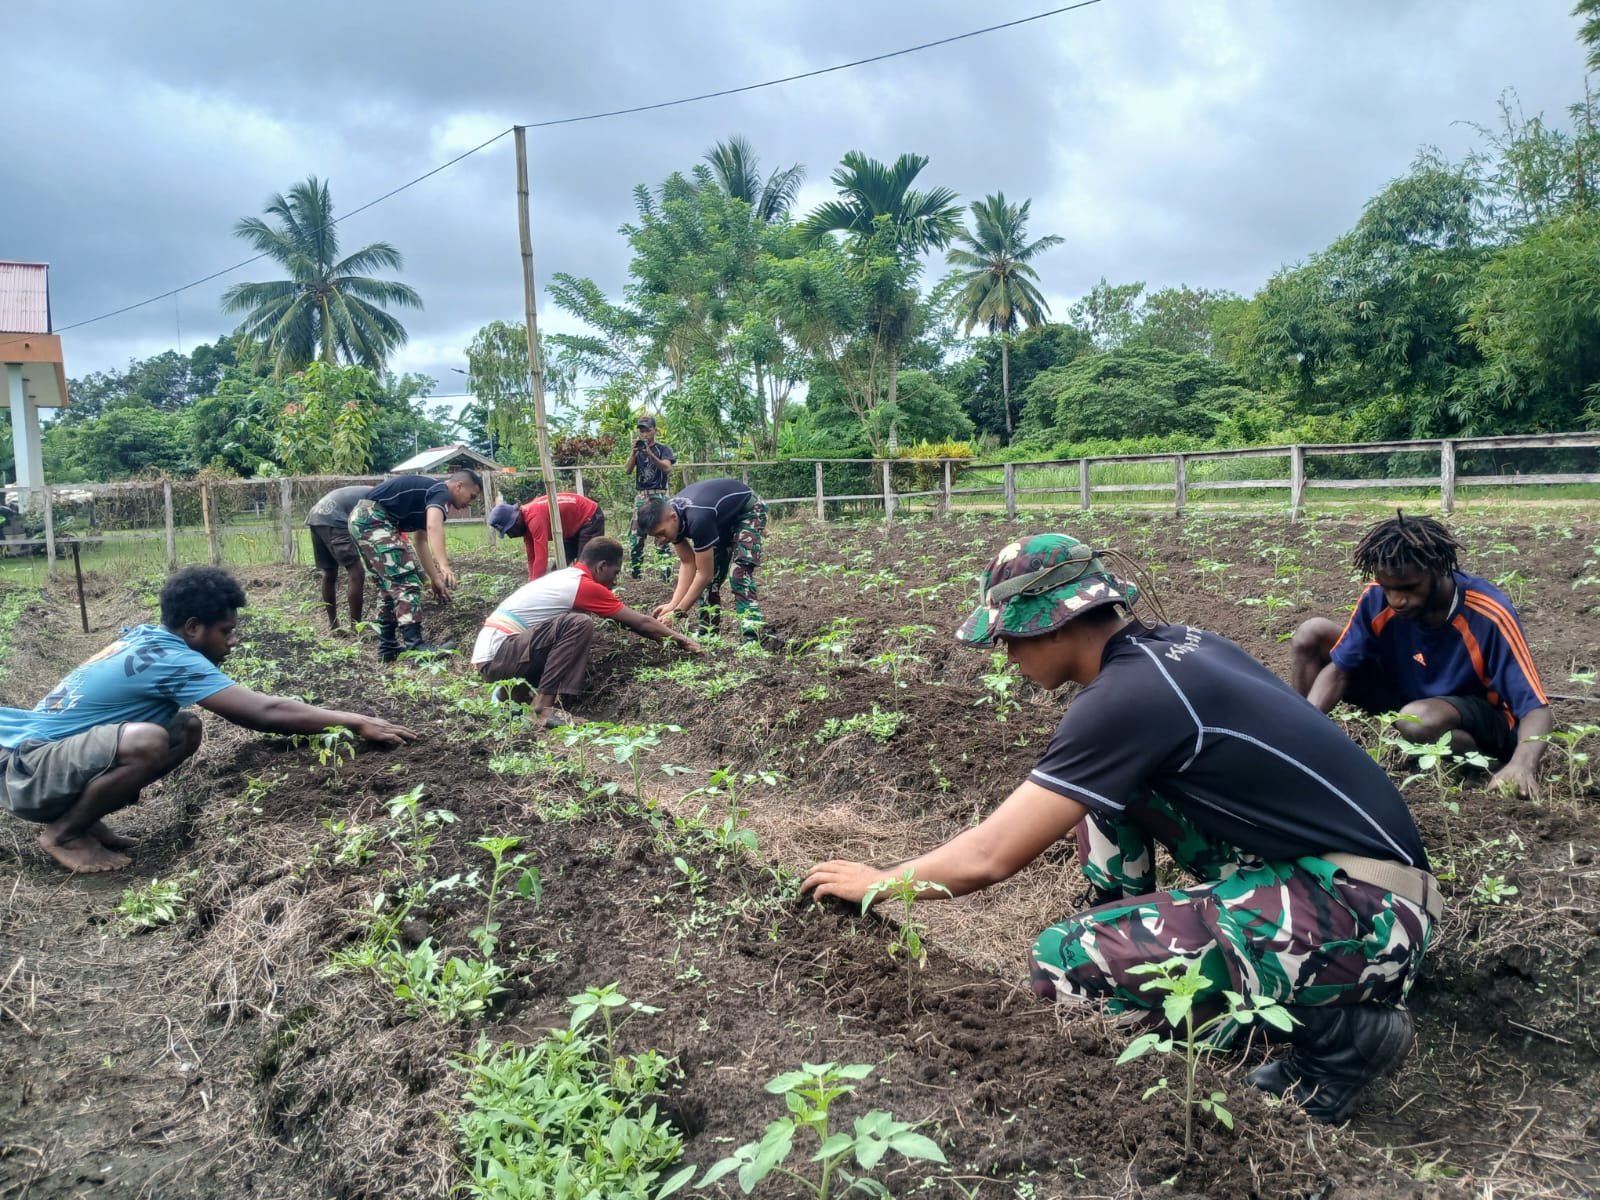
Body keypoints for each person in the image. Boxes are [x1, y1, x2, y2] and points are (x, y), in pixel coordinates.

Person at [802, 534, 1439, 1124]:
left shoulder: (1124, 700)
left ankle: (1335, 1038)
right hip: (1357, 884)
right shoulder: (1177, 648)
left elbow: (991, 856)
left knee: (1061, 960)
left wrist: (882, 882)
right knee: (1109, 793)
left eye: (1012, 638)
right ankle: (1143, 941)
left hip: (1365, 912)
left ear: (1055, 625)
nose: (1008, 655)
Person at [0, 566, 416, 874]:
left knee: (184, 728)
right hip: (28, 770)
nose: (233, 641)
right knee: (145, 741)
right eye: (226, 631)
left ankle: (84, 819)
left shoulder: (149, 638)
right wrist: (355, 721)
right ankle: (64, 834)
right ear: (193, 628)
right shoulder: (173, 659)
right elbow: (263, 712)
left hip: (35, 758)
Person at [1291, 511, 1551, 797]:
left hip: (1475, 715)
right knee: (1312, 633)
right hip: (1408, 692)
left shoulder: (1487, 613)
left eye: (1408, 588)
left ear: (1438, 567)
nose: (1396, 600)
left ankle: (1483, 765)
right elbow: (1339, 669)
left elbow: (1535, 706)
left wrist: (1522, 764)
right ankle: (1294, 744)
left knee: (1416, 719)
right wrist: (1302, 729)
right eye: (1387, 588)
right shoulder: (1378, 598)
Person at [470, 537, 700, 728]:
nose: (615, 580)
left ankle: (510, 697)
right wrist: (684, 641)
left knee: (570, 626)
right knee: (578, 623)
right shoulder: (583, 585)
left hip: (493, 655)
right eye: (614, 573)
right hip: (500, 654)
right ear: (601, 567)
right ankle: (543, 708)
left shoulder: (565, 578)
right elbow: (640, 623)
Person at [348, 470, 482, 661]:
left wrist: (435, 578)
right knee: (406, 582)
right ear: (459, 486)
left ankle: (387, 648)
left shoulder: (428, 494)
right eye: (472, 496)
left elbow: (421, 541)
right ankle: (416, 646)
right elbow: (433, 527)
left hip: (365, 519)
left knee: (390, 587)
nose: (470, 502)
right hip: (374, 520)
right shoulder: (441, 492)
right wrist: (444, 566)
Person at [638, 476, 767, 640]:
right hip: (720, 519)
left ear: (672, 517)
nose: (661, 540)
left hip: (747, 511)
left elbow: (704, 574)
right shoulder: (673, 520)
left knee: (739, 574)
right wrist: (672, 605)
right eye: (656, 536)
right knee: (709, 583)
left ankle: (751, 636)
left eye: (662, 533)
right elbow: (687, 563)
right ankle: (707, 632)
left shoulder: (698, 518)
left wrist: (677, 613)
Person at [488, 491, 606, 581]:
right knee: (557, 568)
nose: (511, 534)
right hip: (572, 527)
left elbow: (541, 558)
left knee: (584, 567)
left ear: (515, 520)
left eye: (510, 530)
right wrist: (531, 583)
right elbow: (531, 557)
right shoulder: (526, 524)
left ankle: (595, 596)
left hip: (589, 517)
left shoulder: (534, 518)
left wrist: (535, 588)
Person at [304, 484, 372, 635]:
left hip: (316, 515)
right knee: (357, 572)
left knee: (329, 572)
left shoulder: (368, 491)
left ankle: (334, 626)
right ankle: (356, 628)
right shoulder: (379, 496)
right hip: (335, 518)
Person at [624, 415, 677, 580]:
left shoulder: (663, 449)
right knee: (636, 536)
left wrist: (650, 454)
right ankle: (636, 573)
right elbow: (627, 470)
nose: (644, 433)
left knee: (662, 534)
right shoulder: (637, 450)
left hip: (659, 495)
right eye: (641, 430)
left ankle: (665, 574)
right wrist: (634, 453)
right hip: (642, 496)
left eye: (647, 430)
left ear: (655, 430)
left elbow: (667, 468)